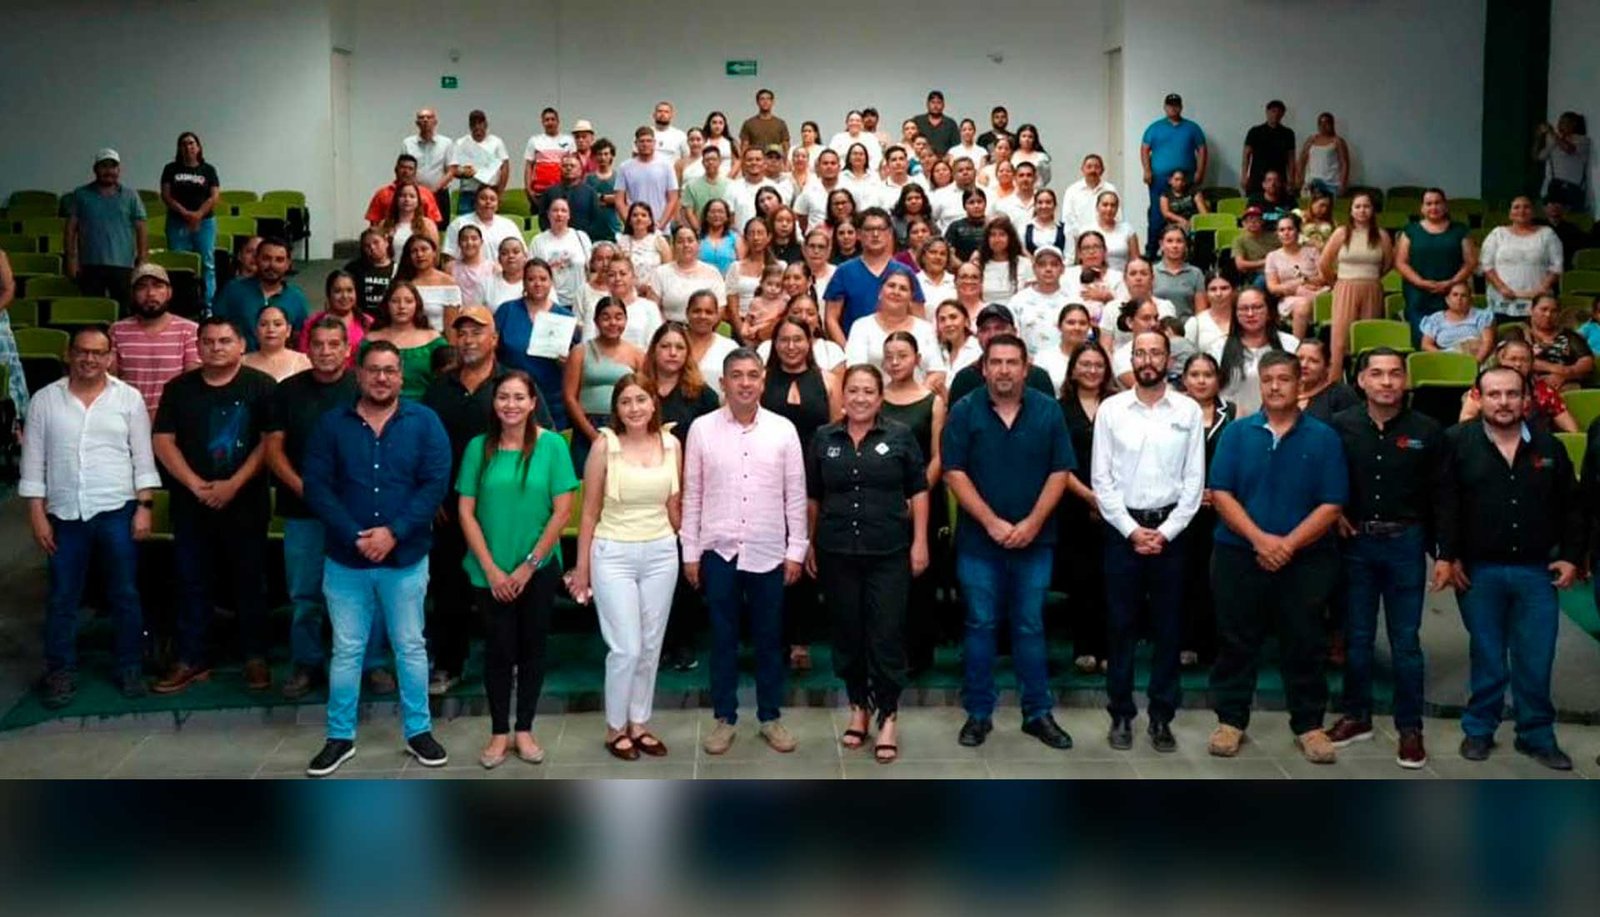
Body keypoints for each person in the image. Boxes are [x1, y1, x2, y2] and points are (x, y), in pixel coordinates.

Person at [300, 341, 453, 777]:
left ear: (401, 376)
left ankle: (418, 731)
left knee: (410, 647)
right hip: (346, 560)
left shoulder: (425, 423)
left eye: (390, 370)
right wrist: (356, 536)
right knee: (347, 650)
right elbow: (317, 487)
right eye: (373, 370)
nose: (381, 378)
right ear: (359, 374)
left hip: (405, 559)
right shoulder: (332, 424)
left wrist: (394, 532)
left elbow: (434, 484)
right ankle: (339, 737)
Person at [1433, 365, 1583, 771]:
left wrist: (1571, 555)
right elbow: (1443, 505)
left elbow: (1572, 508)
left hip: (1536, 572)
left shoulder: (1550, 448)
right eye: (1495, 394)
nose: (1504, 402)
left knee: (1536, 657)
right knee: (1488, 655)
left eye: (1512, 394)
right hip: (1478, 572)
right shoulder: (1456, 443)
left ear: (1527, 400)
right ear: (1478, 398)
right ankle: (1479, 730)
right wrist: (1448, 555)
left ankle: (1537, 736)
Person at [1206, 349, 1348, 764]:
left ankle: (1309, 725)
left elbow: (1332, 503)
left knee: (1304, 642)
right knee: (1236, 641)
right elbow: (1221, 493)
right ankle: (1230, 721)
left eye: (1284, 379)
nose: (1275, 387)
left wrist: (1287, 545)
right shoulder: (1237, 433)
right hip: (1239, 554)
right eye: (1267, 380)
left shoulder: (1324, 437)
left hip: (1305, 559)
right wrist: (1260, 540)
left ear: (1300, 383)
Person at [942, 332, 1075, 749]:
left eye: (1011, 362)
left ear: (1025, 368)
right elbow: (954, 472)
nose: (1003, 370)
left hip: (1036, 541)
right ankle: (978, 713)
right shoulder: (964, 410)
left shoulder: (1048, 410)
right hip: (979, 543)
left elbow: (1060, 471)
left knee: (1030, 625)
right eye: (995, 362)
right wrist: (991, 522)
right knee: (980, 625)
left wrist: (1033, 523)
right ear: (984, 368)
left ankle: (1037, 713)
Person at [22, 326, 159, 707]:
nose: (89, 359)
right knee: (63, 596)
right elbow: (33, 462)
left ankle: (129, 666)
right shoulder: (45, 400)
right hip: (64, 514)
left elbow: (142, 457)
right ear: (69, 354)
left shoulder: (128, 398)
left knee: (124, 593)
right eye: (82, 351)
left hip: (118, 509)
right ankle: (60, 670)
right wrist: (36, 513)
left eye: (98, 352)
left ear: (110, 357)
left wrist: (145, 507)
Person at [1317, 347, 1440, 768]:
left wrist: (1445, 553)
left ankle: (1410, 728)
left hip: (1406, 543)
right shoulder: (1339, 427)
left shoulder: (1427, 430)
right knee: (1357, 636)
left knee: (1406, 641)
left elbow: (1443, 494)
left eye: (1394, 374)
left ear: (1406, 380)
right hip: (1356, 543)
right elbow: (1324, 479)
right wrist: (1333, 513)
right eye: (1377, 374)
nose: (1386, 382)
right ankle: (1357, 716)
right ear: (1361, 381)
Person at [683, 348, 809, 755]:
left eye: (753, 375)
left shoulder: (783, 430)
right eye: (736, 375)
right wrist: (690, 551)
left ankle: (770, 717)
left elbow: (795, 494)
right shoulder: (702, 429)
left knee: (770, 639)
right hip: (718, 551)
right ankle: (725, 718)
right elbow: (692, 494)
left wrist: (796, 549)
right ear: (723, 383)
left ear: (762, 380)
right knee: (722, 638)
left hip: (768, 549)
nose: (745, 383)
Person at [806, 364, 928, 764]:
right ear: (842, 396)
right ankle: (858, 707)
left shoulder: (900, 435)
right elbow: (813, 496)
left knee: (886, 634)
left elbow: (919, 490)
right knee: (848, 634)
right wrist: (809, 543)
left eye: (868, 391)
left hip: (889, 552)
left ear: (880, 397)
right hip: (837, 551)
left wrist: (920, 542)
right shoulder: (824, 438)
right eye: (853, 391)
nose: (859, 398)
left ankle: (888, 714)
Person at [266, 316, 394, 699]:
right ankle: (306, 663)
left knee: (368, 588)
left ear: (347, 349)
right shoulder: (287, 392)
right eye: (318, 344)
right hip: (303, 507)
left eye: (334, 344)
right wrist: (309, 490)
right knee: (305, 594)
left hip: (357, 510)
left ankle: (372, 664)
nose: (325, 352)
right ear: (307, 348)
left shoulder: (362, 388)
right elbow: (273, 450)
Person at [1090, 330, 1204, 751]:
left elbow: (1194, 481)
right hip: (1123, 532)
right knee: (1120, 627)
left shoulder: (1188, 410)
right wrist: (1132, 530)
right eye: (1140, 353)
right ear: (1132, 359)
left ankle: (1161, 717)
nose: (1148, 360)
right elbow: (1101, 479)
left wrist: (1166, 532)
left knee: (1168, 628)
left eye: (1156, 352)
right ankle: (1121, 713)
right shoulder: (1111, 409)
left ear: (1169, 360)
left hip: (1172, 533)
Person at [150, 316, 276, 694]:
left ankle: (255, 656)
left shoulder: (261, 386)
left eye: (225, 341)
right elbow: (163, 440)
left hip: (246, 501)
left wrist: (233, 485)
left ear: (242, 345)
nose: (216, 347)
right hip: (192, 503)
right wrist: (195, 484)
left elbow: (270, 441)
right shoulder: (178, 389)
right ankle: (192, 658)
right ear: (198, 346)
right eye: (208, 341)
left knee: (250, 581)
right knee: (191, 580)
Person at [455, 371, 576, 768]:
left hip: (537, 570)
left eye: (519, 397)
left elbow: (562, 512)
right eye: (503, 397)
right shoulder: (478, 447)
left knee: (532, 649)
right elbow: (466, 511)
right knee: (498, 650)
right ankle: (498, 732)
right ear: (494, 403)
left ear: (533, 402)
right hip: (489, 571)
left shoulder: (552, 445)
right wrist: (491, 569)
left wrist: (528, 567)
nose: (511, 405)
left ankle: (524, 728)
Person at [639, 323, 720, 672]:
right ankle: (651, 643)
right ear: (654, 350)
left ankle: (682, 642)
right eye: (665, 346)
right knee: (649, 571)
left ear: (688, 354)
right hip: (643, 490)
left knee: (682, 569)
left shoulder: (702, 396)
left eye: (679, 347)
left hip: (688, 492)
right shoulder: (638, 390)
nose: (672, 353)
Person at [763, 317, 842, 672]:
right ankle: (772, 638)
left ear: (809, 342)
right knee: (772, 558)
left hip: (815, 476)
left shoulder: (827, 380)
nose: (791, 346)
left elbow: (837, 429)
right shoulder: (762, 380)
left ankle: (801, 640)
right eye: (784, 340)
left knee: (807, 556)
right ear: (774, 344)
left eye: (798, 339)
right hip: (769, 478)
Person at [1054, 341, 1111, 675]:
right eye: (1085, 364)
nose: (1092, 370)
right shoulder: (1058, 409)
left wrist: (1106, 499)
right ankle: (1085, 646)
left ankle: (1109, 648)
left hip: (1115, 505)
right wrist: (1088, 496)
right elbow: (1058, 460)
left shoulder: (1120, 406)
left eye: (1098, 365)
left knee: (1111, 578)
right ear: (1073, 370)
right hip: (1072, 502)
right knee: (1081, 578)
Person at [1178, 353, 1232, 666]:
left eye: (1208, 374)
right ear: (1184, 379)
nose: (1201, 381)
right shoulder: (1172, 412)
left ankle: (1214, 645)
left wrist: (1220, 493)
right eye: (1195, 374)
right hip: (1182, 508)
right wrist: (1192, 494)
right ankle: (1186, 641)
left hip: (1224, 509)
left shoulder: (1233, 413)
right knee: (1185, 576)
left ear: (1218, 379)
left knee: (1218, 578)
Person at [564, 296, 645, 470]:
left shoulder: (637, 355)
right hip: (587, 424)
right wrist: (592, 434)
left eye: (618, 317)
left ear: (626, 320)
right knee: (586, 477)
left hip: (624, 424)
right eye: (606, 317)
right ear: (596, 321)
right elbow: (570, 397)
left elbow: (644, 395)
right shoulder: (580, 352)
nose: (612, 323)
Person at [109, 264, 200, 417]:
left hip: (173, 418)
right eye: (142, 287)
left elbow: (192, 382)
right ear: (133, 294)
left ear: (169, 292)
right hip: (127, 416)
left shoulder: (189, 330)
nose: (150, 293)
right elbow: (111, 381)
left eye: (158, 286)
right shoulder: (117, 330)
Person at [823, 207, 924, 343]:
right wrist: (847, 350)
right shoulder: (844, 271)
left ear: (889, 233)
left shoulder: (906, 272)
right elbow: (831, 318)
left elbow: (919, 318)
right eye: (869, 229)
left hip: (899, 349)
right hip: (856, 349)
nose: (875, 234)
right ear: (859, 234)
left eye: (881, 229)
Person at [1318, 192, 1392, 373]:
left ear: (1372, 210)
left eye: (1366, 206)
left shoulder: (1381, 235)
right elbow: (1324, 263)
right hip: (1345, 287)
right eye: (1357, 206)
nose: (1362, 210)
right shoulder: (1341, 233)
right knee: (1340, 339)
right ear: (1351, 211)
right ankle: (1335, 378)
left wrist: (1370, 277)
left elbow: (1388, 263)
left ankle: (1367, 379)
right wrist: (1336, 282)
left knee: (1368, 339)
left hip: (1372, 289)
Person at [66, 148, 147, 304]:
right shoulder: (81, 194)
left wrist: (142, 261)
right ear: (95, 169)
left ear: (119, 170)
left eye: (113, 167)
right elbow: (70, 229)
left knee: (125, 309)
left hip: (123, 265)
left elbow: (141, 228)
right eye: (104, 166)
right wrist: (71, 260)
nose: (108, 171)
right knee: (92, 309)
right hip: (90, 264)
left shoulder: (131, 195)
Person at [843, 272, 946, 391]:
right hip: (873, 399)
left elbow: (937, 372)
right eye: (891, 286)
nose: (896, 292)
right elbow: (855, 370)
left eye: (903, 288)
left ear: (911, 297)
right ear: (880, 292)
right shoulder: (861, 326)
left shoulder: (925, 328)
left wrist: (917, 396)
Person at [1396, 189, 1477, 338]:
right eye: (1429, 204)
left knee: (1449, 338)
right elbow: (1401, 262)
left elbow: (1470, 262)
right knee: (1421, 339)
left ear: (1445, 206)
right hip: (1418, 295)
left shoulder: (1460, 230)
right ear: (1422, 208)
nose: (1433, 207)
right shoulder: (1410, 230)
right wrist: (1420, 282)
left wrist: (1451, 282)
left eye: (1437, 203)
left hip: (1452, 294)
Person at [1459, 337, 1580, 432]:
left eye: (1524, 360)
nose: (1518, 364)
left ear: (1532, 363)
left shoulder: (1544, 391)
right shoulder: (1484, 386)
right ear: (1501, 360)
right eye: (1513, 359)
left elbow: (1571, 428)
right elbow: (1467, 417)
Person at [1211, 287, 1298, 416]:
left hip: (1280, 419)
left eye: (1257, 307)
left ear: (1269, 311)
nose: (1250, 314)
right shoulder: (1219, 347)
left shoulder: (1289, 344)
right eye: (1243, 309)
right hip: (1233, 422)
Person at [214, 237, 310, 350]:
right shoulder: (233, 290)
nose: (272, 265)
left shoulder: (296, 298)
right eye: (266, 258)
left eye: (279, 260)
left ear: (288, 264)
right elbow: (216, 329)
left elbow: (300, 340)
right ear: (257, 259)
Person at [1141, 94, 1208, 258]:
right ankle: (1152, 251)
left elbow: (1202, 149)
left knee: (1189, 212)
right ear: (1165, 107)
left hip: (1187, 178)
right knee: (1157, 214)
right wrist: (1147, 170)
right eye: (1170, 105)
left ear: (1181, 107)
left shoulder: (1192, 128)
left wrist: (1200, 171)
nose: (1173, 108)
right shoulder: (1155, 127)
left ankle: (1190, 253)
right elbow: (1144, 149)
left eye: (1176, 105)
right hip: (1159, 178)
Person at [161, 132, 221, 307]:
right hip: (177, 222)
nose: (188, 147)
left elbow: (214, 196)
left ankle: (208, 304)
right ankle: (181, 302)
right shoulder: (170, 169)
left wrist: (198, 215)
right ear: (179, 148)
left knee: (207, 263)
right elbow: (166, 195)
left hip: (205, 222)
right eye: (184, 144)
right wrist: (185, 213)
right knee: (178, 262)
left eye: (192, 143)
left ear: (198, 147)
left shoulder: (208, 170)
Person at [1482, 196, 1564, 320]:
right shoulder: (1497, 234)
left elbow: (1556, 266)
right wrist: (1501, 288)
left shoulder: (1547, 234)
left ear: (1533, 212)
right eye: (1516, 207)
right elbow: (1486, 265)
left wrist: (1542, 289)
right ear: (1510, 213)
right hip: (1502, 299)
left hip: (1538, 301)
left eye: (1526, 207)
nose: (1521, 211)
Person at [365, 280, 446, 401]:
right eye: (395, 301)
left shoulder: (434, 340)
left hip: (424, 407)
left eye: (408, 301)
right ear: (387, 305)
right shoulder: (370, 340)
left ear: (417, 305)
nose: (402, 306)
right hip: (377, 406)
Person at [1265, 214, 1327, 339]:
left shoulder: (1312, 251)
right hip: (1290, 298)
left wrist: (1305, 281)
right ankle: (1297, 347)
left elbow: (1324, 278)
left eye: (1290, 229)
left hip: (1317, 292)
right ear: (1277, 234)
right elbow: (1272, 287)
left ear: (1298, 231)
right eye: (1282, 230)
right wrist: (1296, 288)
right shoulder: (1272, 256)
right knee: (1303, 304)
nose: (1286, 233)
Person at [653, 225, 727, 323]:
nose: (686, 245)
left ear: (698, 244)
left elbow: (720, 307)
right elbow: (653, 308)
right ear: (673, 246)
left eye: (690, 241)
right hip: (669, 328)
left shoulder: (712, 273)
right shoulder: (661, 272)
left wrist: (704, 329)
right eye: (680, 241)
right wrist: (666, 329)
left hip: (704, 327)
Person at [528, 198, 592, 308]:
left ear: (569, 215)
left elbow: (591, 268)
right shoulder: (538, 241)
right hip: (550, 303)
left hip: (580, 302)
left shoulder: (581, 237)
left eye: (563, 211)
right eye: (555, 210)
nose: (559, 214)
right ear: (548, 214)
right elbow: (532, 273)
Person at [1525, 292, 1596, 391]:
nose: (1548, 314)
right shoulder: (1519, 333)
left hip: (1566, 386)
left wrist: (1566, 374)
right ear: (1531, 310)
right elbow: (1513, 360)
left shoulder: (1569, 336)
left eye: (1554, 311)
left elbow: (1587, 363)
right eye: (1543, 309)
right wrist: (1555, 368)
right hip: (1527, 386)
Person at [446, 110, 509, 215]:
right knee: (465, 223)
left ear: (486, 125)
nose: (477, 126)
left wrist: (500, 191)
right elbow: (454, 169)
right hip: (468, 193)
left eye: (480, 123)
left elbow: (505, 167)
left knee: (488, 223)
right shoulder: (461, 143)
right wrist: (463, 173)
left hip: (490, 191)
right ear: (470, 126)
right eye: (473, 124)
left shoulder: (496, 142)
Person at [616, 126, 680, 229]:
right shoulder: (625, 167)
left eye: (649, 141)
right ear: (636, 144)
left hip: (661, 228)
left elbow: (673, 198)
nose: (645, 144)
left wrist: (661, 224)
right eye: (642, 141)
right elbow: (619, 200)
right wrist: (629, 224)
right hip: (635, 229)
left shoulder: (666, 166)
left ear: (654, 143)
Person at [394, 235, 461, 334]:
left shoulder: (448, 283)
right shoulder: (403, 282)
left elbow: (451, 327)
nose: (419, 254)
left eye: (424, 249)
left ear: (434, 253)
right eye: (414, 251)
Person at [1420, 280, 1496, 362]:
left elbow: (1487, 342)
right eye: (1455, 295)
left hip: (1475, 358)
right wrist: (1444, 358)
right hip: (1446, 359)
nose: (1459, 298)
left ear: (1470, 299)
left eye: (1464, 295)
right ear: (1447, 299)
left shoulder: (1482, 316)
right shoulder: (1435, 319)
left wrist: (1475, 363)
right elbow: (1426, 344)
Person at [442, 185, 521, 262]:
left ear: (498, 205)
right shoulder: (459, 223)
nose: (488, 202)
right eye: (483, 198)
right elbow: (449, 257)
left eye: (492, 199)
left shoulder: (509, 225)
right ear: (475, 202)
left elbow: (522, 255)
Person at [403, 108, 455, 223]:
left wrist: (433, 190)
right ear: (417, 123)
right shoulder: (408, 143)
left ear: (435, 122)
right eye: (421, 118)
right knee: (414, 225)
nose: (425, 120)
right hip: (414, 194)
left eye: (429, 117)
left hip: (439, 193)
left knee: (440, 227)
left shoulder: (446, 143)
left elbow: (451, 171)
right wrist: (419, 190)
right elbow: (404, 169)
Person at [365, 154, 445, 228]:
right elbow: (374, 223)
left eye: (410, 169)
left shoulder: (426, 194)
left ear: (415, 172)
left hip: (418, 235)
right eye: (403, 167)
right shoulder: (382, 194)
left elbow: (433, 221)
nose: (406, 171)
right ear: (396, 170)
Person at [537, 153, 604, 240]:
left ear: (580, 170)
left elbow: (596, 219)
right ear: (560, 169)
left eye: (572, 166)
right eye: (565, 166)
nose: (568, 168)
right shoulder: (550, 192)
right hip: (554, 240)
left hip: (582, 241)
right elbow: (543, 218)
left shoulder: (590, 193)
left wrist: (584, 237)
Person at [1534, 111, 1590, 210]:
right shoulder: (1554, 140)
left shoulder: (1582, 140)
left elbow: (1569, 149)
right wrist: (1538, 138)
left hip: (1573, 188)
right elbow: (1538, 157)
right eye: (1559, 122)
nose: (1559, 125)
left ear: (1573, 124)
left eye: (1563, 122)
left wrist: (1552, 132)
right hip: (1555, 186)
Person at [1033, 303, 1095, 393]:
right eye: (1071, 323)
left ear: (1089, 327)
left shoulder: (1097, 357)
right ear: (1059, 326)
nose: (1077, 327)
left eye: (1082, 323)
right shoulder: (1044, 358)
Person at [974, 216, 1034, 305]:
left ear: (1010, 238)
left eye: (1002, 234)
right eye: (993, 235)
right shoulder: (978, 265)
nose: (997, 239)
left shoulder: (1025, 264)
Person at [1296, 338, 1360, 422]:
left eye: (1313, 361)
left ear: (1327, 367)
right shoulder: (1284, 392)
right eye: (1299, 359)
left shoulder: (1341, 395)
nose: (1304, 365)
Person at [242, 304, 311, 382]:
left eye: (277, 324)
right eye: (263, 324)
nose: (271, 329)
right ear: (256, 331)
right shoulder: (242, 363)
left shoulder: (304, 362)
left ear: (288, 330)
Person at [1242, 101, 1295, 194]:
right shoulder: (1255, 131)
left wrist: (1291, 179)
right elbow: (1246, 155)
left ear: (1283, 114)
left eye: (1279, 112)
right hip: (1257, 177)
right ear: (1267, 112)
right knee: (1255, 201)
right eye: (1273, 111)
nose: (1276, 114)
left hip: (1279, 178)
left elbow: (1291, 158)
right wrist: (1244, 176)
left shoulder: (1288, 133)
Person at [1153, 226, 1206, 318]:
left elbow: (1201, 312)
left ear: (1185, 245)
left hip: (1188, 325)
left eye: (1179, 241)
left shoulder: (1196, 273)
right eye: (1169, 241)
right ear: (1161, 244)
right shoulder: (1152, 272)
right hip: (1159, 324)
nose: (1175, 246)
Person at [379, 180, 439, 260]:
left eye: (412, 196)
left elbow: (435, 255)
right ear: (396, 199)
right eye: (403, 196)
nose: (407, 199)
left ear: (418, 201)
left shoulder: (428, 225)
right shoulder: (384, 224)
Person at [522, 107, 574, 198]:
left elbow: (574, 166)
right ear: (542, 122)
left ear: (558, 121)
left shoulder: (569, 140)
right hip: (539, 191)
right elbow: (529, 166)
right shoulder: (534, 140)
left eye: (553, 119)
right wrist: (528, 189)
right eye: (547, 120)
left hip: (563, 190)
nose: (550, 122)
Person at [1061, 153, 1117, 237]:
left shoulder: (1110, 189)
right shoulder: (1072, 191)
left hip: (1106, 238)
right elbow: (1067, 219)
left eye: (1096, 167)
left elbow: (1117, 216)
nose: (1093, 170)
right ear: (1082, 169)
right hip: (1079, 239)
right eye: (1089, 167)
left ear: (1102, 170)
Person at [1296, 112, 1351, 197]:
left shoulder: (1338, 141)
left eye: (1326, 123)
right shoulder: (1311, 140)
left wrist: (1343, 184)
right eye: (1320, 123)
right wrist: (1300, 178)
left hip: (1331, 184)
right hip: (1312, 183)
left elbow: (1344, 163)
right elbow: (1301, 160)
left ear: (1332, 124)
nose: (1323, 126)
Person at [344, 229, 395, 317]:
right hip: (360, 317)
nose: (372, 247)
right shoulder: (353, 268)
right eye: (367, 246)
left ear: (386, 242)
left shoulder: (397, 269)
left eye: (376, 242)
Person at [1184, 270, 1236, 355]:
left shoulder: (1243, 319)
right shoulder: (1196, 323)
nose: (1218, 294)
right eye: (1213, 289)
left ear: (1233, 291)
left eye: (1224, 288)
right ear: (1206, 293)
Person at [1091, 190, 1139, 273]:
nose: (1109, 209)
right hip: (1094, 277)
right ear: (1097, 207)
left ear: (1117, 209)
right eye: (1105, 205)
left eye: (1113, 205)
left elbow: (1136, 261)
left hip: (1122, 277)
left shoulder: (1127, 230)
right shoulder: (1088, 230)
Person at [1229, 206, 1278, 288]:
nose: (1253, 222)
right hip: (1255, 274)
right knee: (1262, 280)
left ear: (1262, 222)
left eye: (1256, 219)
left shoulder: (1274, 237)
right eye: (1249, 220)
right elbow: (1240, 264)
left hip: (1277, 269)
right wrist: (1266, 261)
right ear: (1243, 223)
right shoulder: (1239, 240)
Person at [585, 138, 622, 243]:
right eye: (599, 154)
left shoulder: (619, 178)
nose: (603, 157)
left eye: (606, 154)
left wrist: (600, 197)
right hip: (592, 231)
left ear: (612, 156)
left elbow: (621, 199)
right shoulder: (588, 179)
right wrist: (609, 199)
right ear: (594, 156)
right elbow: (587, 200)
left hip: (614, 229)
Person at [1159, 169, 1208, 237]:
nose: (1180, 182)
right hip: (1175, 224)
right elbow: (1166, 213)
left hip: (1194, 222)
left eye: (1182, 180)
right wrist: (1182, 220)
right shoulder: (1165, 195)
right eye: (1176, 179)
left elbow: (1203, 211)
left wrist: (1195, 222)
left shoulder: (1194, 191)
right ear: (1170, 181)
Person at [739, 88, 791, 153]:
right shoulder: (749, 123)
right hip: (755, 158)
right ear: (757, 102)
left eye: (768, 99)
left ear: (772, 102)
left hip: (774, 157)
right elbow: (744, 146)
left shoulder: (780, 123)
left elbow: (786, 146)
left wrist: (786, 158)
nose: (765, 102)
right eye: (762, 99)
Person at [911, 90, 960, 156]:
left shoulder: (950, 124)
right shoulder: (918, 121)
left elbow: (956, 147)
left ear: (943, 105)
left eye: (939, 102)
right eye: (933, 102)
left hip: (944, 161)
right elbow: (909, 140)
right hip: (920, 159)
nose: (935, 105)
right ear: (927, 104)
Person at [485, 235, 528, 309]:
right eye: (504, 253)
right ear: (499, 259)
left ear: (525, 256)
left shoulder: (537, 282)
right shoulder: (487, 284)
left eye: (516, 252)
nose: (511, 256)